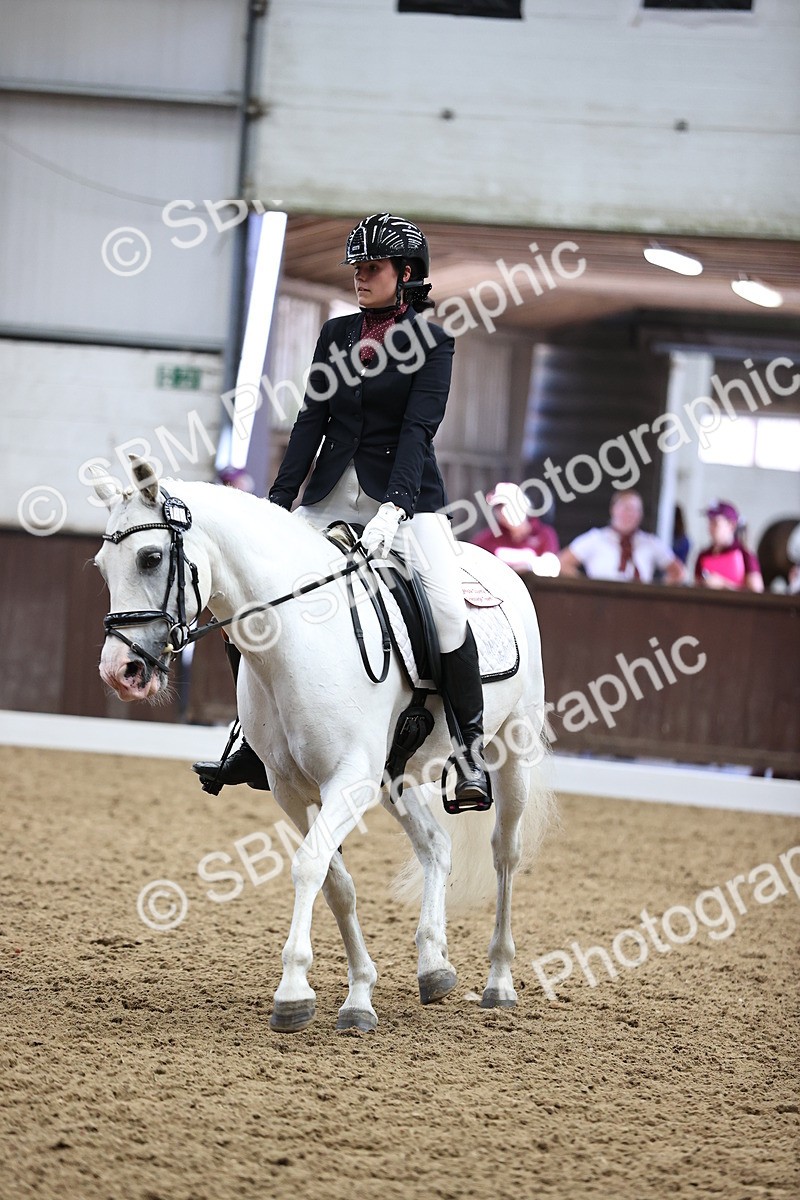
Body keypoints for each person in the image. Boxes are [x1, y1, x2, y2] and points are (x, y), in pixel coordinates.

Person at [194, 213, 490, 807]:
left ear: (406, 274)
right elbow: (311, 421)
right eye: (355, 268)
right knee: (248, 591)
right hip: (329, 494)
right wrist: (276, 506)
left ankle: (469, 751)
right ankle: (253, 737)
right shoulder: (337, 336)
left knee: (447, 610)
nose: (360, 277)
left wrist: (394, 511)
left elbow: (418, 429)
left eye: (372, 268)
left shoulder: (436, 341)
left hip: (406, 502)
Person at [558, 490, 686, 584]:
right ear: (613, 510)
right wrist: (586, 586)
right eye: (625, 508)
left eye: (635, 510)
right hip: (600, 606)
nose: (629, 514)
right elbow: (562, 563)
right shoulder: (595, 538)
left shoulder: (650, 542)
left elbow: (679, 572)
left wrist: (656, 592)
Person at [472, 481, 560, 574]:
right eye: (498, 507)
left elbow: (553, 567)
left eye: (510, 505)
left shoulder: (544, 534)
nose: (503, 511)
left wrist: (528, 565)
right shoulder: (487, 538)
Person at [694, 501, 764, 592]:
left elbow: (757, 592)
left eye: (715, 523)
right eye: (709, 522)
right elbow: (696, 586)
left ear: (731, 525)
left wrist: (723, 584)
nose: (710, 527)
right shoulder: (703, 555)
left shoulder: (745, 554)